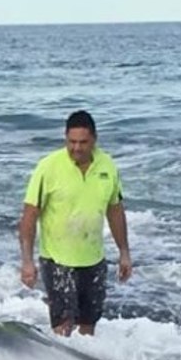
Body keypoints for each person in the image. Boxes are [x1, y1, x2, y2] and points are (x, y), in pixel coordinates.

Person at [18, 110, 132, 336]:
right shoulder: (48, 167)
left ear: (94, 139)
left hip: (94, 259)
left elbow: (115, 211)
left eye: (83, 142)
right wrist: (27, 261)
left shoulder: (107, 166)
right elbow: (29, 217)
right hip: (57, 260)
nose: (77, 148)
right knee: (63, 327)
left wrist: (124, 252)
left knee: (89, 325)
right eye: (71, 142)